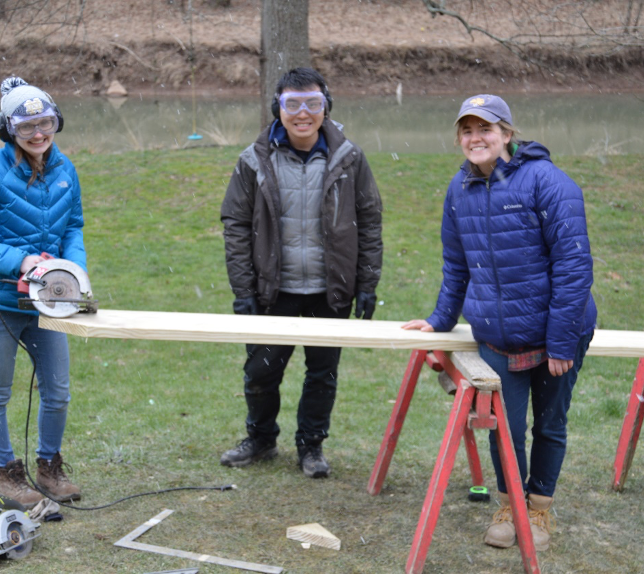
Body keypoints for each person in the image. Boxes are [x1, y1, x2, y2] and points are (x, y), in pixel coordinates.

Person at [402, 94, 597, 550]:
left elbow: (573, 267)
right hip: (496, 336)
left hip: (557, 334)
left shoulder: (547, 182)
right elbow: (456, 264)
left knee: (549, 424)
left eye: (486, 129)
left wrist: (562, 342)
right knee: (504, 428)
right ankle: (510, 504)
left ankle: (540, 510)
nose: (476, 138)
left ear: (507, 134)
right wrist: (440, 319)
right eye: (467, 131)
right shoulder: (459, 189)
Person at [220, 67, 383, 478]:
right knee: (261, 372)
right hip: (273, 290)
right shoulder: (253, 160)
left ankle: (311, 446)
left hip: (331, 291)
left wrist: (366, 283)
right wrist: (244, 290)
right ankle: (260, 438)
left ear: (327, 107)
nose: (303, 113)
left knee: (322, 374)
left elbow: (370, 219)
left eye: (313, 103)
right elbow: (235, 224)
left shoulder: (350, 158)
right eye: (293, 104)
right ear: (278, 108)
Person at [0, 77, 86, 508]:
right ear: (8, 129)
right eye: (26, 128)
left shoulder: (66, 170)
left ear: (56, 121)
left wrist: (74, 269)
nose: (38, 134)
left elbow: (73, 226)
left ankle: (49, 468)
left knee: (58, 389)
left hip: (51, 301)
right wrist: (20, 261)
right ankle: (8, 475)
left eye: (45, 123)